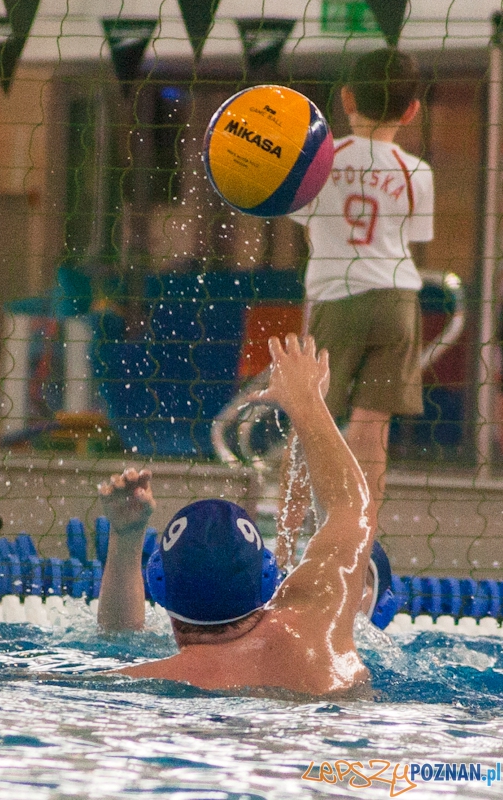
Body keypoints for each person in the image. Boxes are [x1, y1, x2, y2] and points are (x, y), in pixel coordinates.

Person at [97, 334, 380, 696]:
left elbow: (118, 642)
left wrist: (125, 537)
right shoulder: (317, 631)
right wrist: (307, 402)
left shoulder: (141, 681)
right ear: (269, 581)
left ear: (160, 587)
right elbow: (350, 509)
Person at [283, 48, 434, 531]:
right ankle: (359, 539)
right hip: (397, 302)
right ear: (412, 111)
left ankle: (286, 540)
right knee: (372, 429)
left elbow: (309, 229)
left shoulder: (321, 160)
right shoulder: (418, 172)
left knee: (310, 421)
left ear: (346, 99)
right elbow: (410, 239)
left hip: (337, 297)